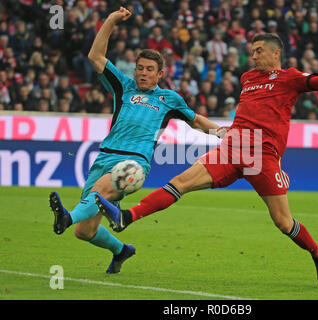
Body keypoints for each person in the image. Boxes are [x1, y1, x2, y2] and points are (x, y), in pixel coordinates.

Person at [95, 33, 318, 286]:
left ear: (276, 53)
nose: (253, 57)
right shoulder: (248, 78)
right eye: (252, 52)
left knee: (282, 221)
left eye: (258, 51)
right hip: (234, 144)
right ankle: (126, 217)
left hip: (262, 155)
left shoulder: (289, 78)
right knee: (180, 183)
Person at [49, 7, 221, 274]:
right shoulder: (123, 86)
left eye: (149, 69)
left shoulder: (168, 99)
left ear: (160, 74)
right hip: (104, 157)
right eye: (140, 68)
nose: (143, 73)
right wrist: (111, 20)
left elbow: (196, 120)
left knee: (100, 193)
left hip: (134, 163)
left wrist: (223, 134)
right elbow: (95, 56)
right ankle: (121, 250)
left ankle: (66, 217)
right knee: (85, 231)